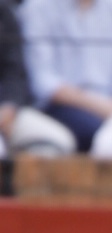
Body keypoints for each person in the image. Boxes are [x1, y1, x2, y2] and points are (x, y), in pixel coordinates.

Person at [19, 0, 112, 151]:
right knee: (98, 133)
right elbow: (44, 82)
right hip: (60, 105)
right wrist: (105, 109)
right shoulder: (37, 8)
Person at [0, 0, 76, 157]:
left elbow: (15, 72)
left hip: (7, 112)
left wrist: (9, 106)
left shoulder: (4, 12)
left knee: (58, 142)